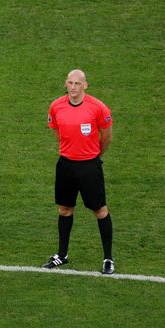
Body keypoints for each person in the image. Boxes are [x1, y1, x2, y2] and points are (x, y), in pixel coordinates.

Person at [43, 69, 114, 274]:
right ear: (66, 84)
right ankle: (62, 255)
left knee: (99, 210)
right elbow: (57, 131)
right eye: (70, 83)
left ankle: (108, 258)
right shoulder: (56, 106)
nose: (73, 87)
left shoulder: (98, 107)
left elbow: (107, 135)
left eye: (77, 84)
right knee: (65, 209)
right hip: (66, 165)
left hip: (89, 166)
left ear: (85, 85)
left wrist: (94, 155)